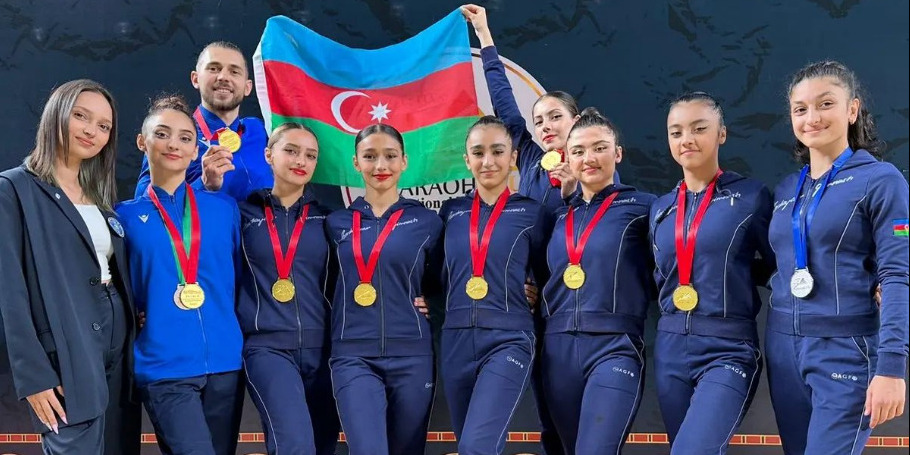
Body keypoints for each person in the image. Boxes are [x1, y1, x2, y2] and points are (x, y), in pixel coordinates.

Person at [766, 61, 908, 454]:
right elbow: (775, 265)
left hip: (846, 349)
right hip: (783, 350)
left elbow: (898, 275)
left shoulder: (882, 180)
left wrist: (892, 367)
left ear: (852, 109)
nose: (812, 117)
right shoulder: (786, 190)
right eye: (800, 109)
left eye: (826, 104)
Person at [0, 79, 141, 455]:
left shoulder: (98, 196)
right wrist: (33, 376)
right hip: (65, 350)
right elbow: (9, 293)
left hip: (118, 347)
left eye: (104, 126)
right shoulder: (13, 189)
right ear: (56, 114)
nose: (92, 130)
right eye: (81, 116)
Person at [117, 94, 244, 455]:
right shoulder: (123, 217)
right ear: (142, 142)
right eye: (162, 134)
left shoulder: (224, 209)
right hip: (164, 366)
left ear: (195, 150)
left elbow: (235, 278)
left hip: (224, 363)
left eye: (185, 137)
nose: (174, 144)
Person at [649, 91, 774, 453]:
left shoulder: (751, 196)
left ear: (721, 133)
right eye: (676, 132)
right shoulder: (660, 208)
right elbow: (659, 276)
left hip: (728, 348)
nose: (686, 139)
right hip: (671, 348)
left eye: (699, 128)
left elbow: (778, 265)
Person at [539, 108, 655, 453]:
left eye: (599, 148)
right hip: (557, 349)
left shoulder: (645, 207)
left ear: (618, 153)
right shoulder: (557, 216)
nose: (588, 158)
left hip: (615, 346)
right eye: (578, 151)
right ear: (567, 158)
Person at [436, 116, 551, 455]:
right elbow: (433, 273)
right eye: (478, 152)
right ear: (466, 160)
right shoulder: (450, 213)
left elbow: (551, 272)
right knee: (473, 445)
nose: (488, 161)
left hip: (509, 337)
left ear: (513, 157)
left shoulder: (533, 213)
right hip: (456, 339)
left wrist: (534, 289)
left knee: (476, 446)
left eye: (498, 151)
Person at [324, 124, 442, 455]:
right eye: (370, 156)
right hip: (352, 355)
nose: (380, 166)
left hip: (413, 356)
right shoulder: (335, 223)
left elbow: (447, 279)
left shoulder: (428, 222)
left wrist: (435, 301)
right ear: (356, 162)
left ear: (404, 161)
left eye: (390, 156)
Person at [237, 122, 339, 455]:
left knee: (322, 445)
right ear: (269, 154)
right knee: (294, 444)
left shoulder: (329, 220)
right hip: (267, 347)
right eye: (291, 151)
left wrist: (418, 295)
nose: (300, 161)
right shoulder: (242, 215)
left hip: (324, 350)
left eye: (310, 155)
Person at [134, 40, 271, 201]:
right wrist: (203, 184)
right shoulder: (172, 134)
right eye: (214, 68)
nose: (223, 77)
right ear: (195, 79)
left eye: (234, 71)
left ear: (248, 87)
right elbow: (143, 204)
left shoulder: (259, 129)